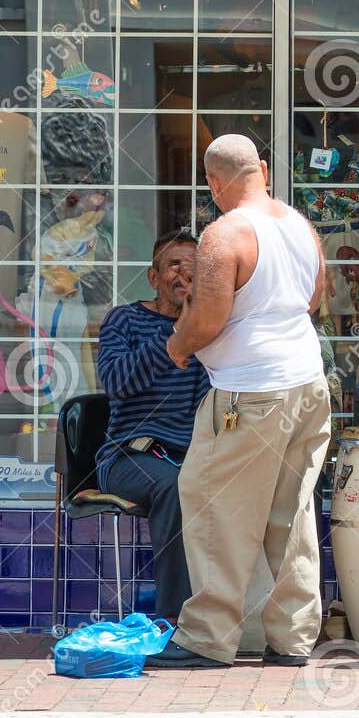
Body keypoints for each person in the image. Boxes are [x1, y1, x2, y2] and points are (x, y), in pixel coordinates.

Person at [147, 134, 330, 670]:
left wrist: (177, 345)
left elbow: (205, 321)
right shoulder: (298, 225)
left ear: (213, 182)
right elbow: (314, 298)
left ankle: (206, 638)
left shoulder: (224, 233)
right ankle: (293, 638)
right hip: (307, 383)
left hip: (251, 392)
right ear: (264, 170)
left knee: (209, 499)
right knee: (289, 511)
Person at [94, 229, 208, 620]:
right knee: (176, 488)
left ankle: (243, 618)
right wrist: (175, 339)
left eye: (194, 267)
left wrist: (199, 327)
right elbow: (117, 383)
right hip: (129, 456)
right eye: (174, 265)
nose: (184, 275)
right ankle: (176, 621)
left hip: (194, 455)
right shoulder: (123, 320)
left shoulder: (211, 330)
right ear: (153, 276)